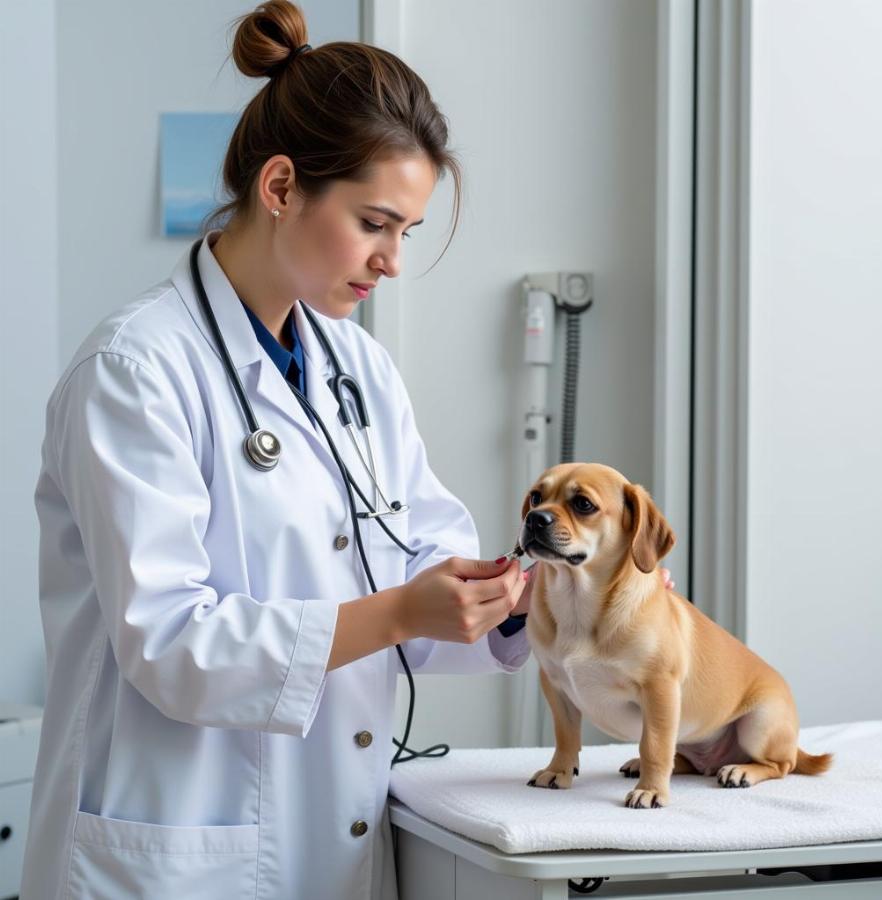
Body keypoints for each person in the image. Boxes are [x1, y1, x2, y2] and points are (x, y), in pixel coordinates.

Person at [19, 3, 533, 898]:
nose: (392, 262)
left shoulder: (357, 367)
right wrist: (402, 613)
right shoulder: (135, 370)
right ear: (283, 186)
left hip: (325, 841)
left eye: (405, 232)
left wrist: (525, 599)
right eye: (375, 223)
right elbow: (172, 644)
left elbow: (415, 558)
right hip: (170, 854)